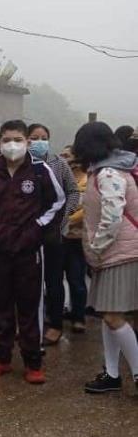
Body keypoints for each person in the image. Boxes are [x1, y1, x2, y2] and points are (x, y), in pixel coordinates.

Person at [0, 120, 65, 384]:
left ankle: (33, 361)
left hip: (28, 252)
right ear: (0, 141)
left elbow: (57, 203)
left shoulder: (39, 170)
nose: (13, 145)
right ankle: (0, 358)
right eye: (7, 139)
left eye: (18, 139)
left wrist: (35, 230)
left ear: (27, 142)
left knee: (29, 306)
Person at [73, 123, 138, 394]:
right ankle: (112, 373)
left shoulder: (109, 173)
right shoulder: (111, 168)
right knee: (108, 315)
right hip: (115, 252)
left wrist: (96, 247)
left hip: (119, 253)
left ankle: (136, 373)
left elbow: (112, 216)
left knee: (113, 316)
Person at [27, 123, 80, 346]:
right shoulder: (21, 164)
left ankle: (55, 324)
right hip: (26, 232)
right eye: (35, 137)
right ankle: (30, 322)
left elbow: (74, 191)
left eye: (43, 137)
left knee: (54, 279)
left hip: (53, 232)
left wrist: (64, 217)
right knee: (28, 280)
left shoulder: (59, 164)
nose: (39, 141)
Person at [60, 145, 88, 333]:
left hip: (76, 238)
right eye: (62, 156)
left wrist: (64, 219)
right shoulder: (58, 179)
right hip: (58, 237)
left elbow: (85, 211)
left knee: (76, 279)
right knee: (54, 280)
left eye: (67, 156)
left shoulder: (87, 181)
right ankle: (56, 312)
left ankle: (79, 316)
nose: (64, 159)